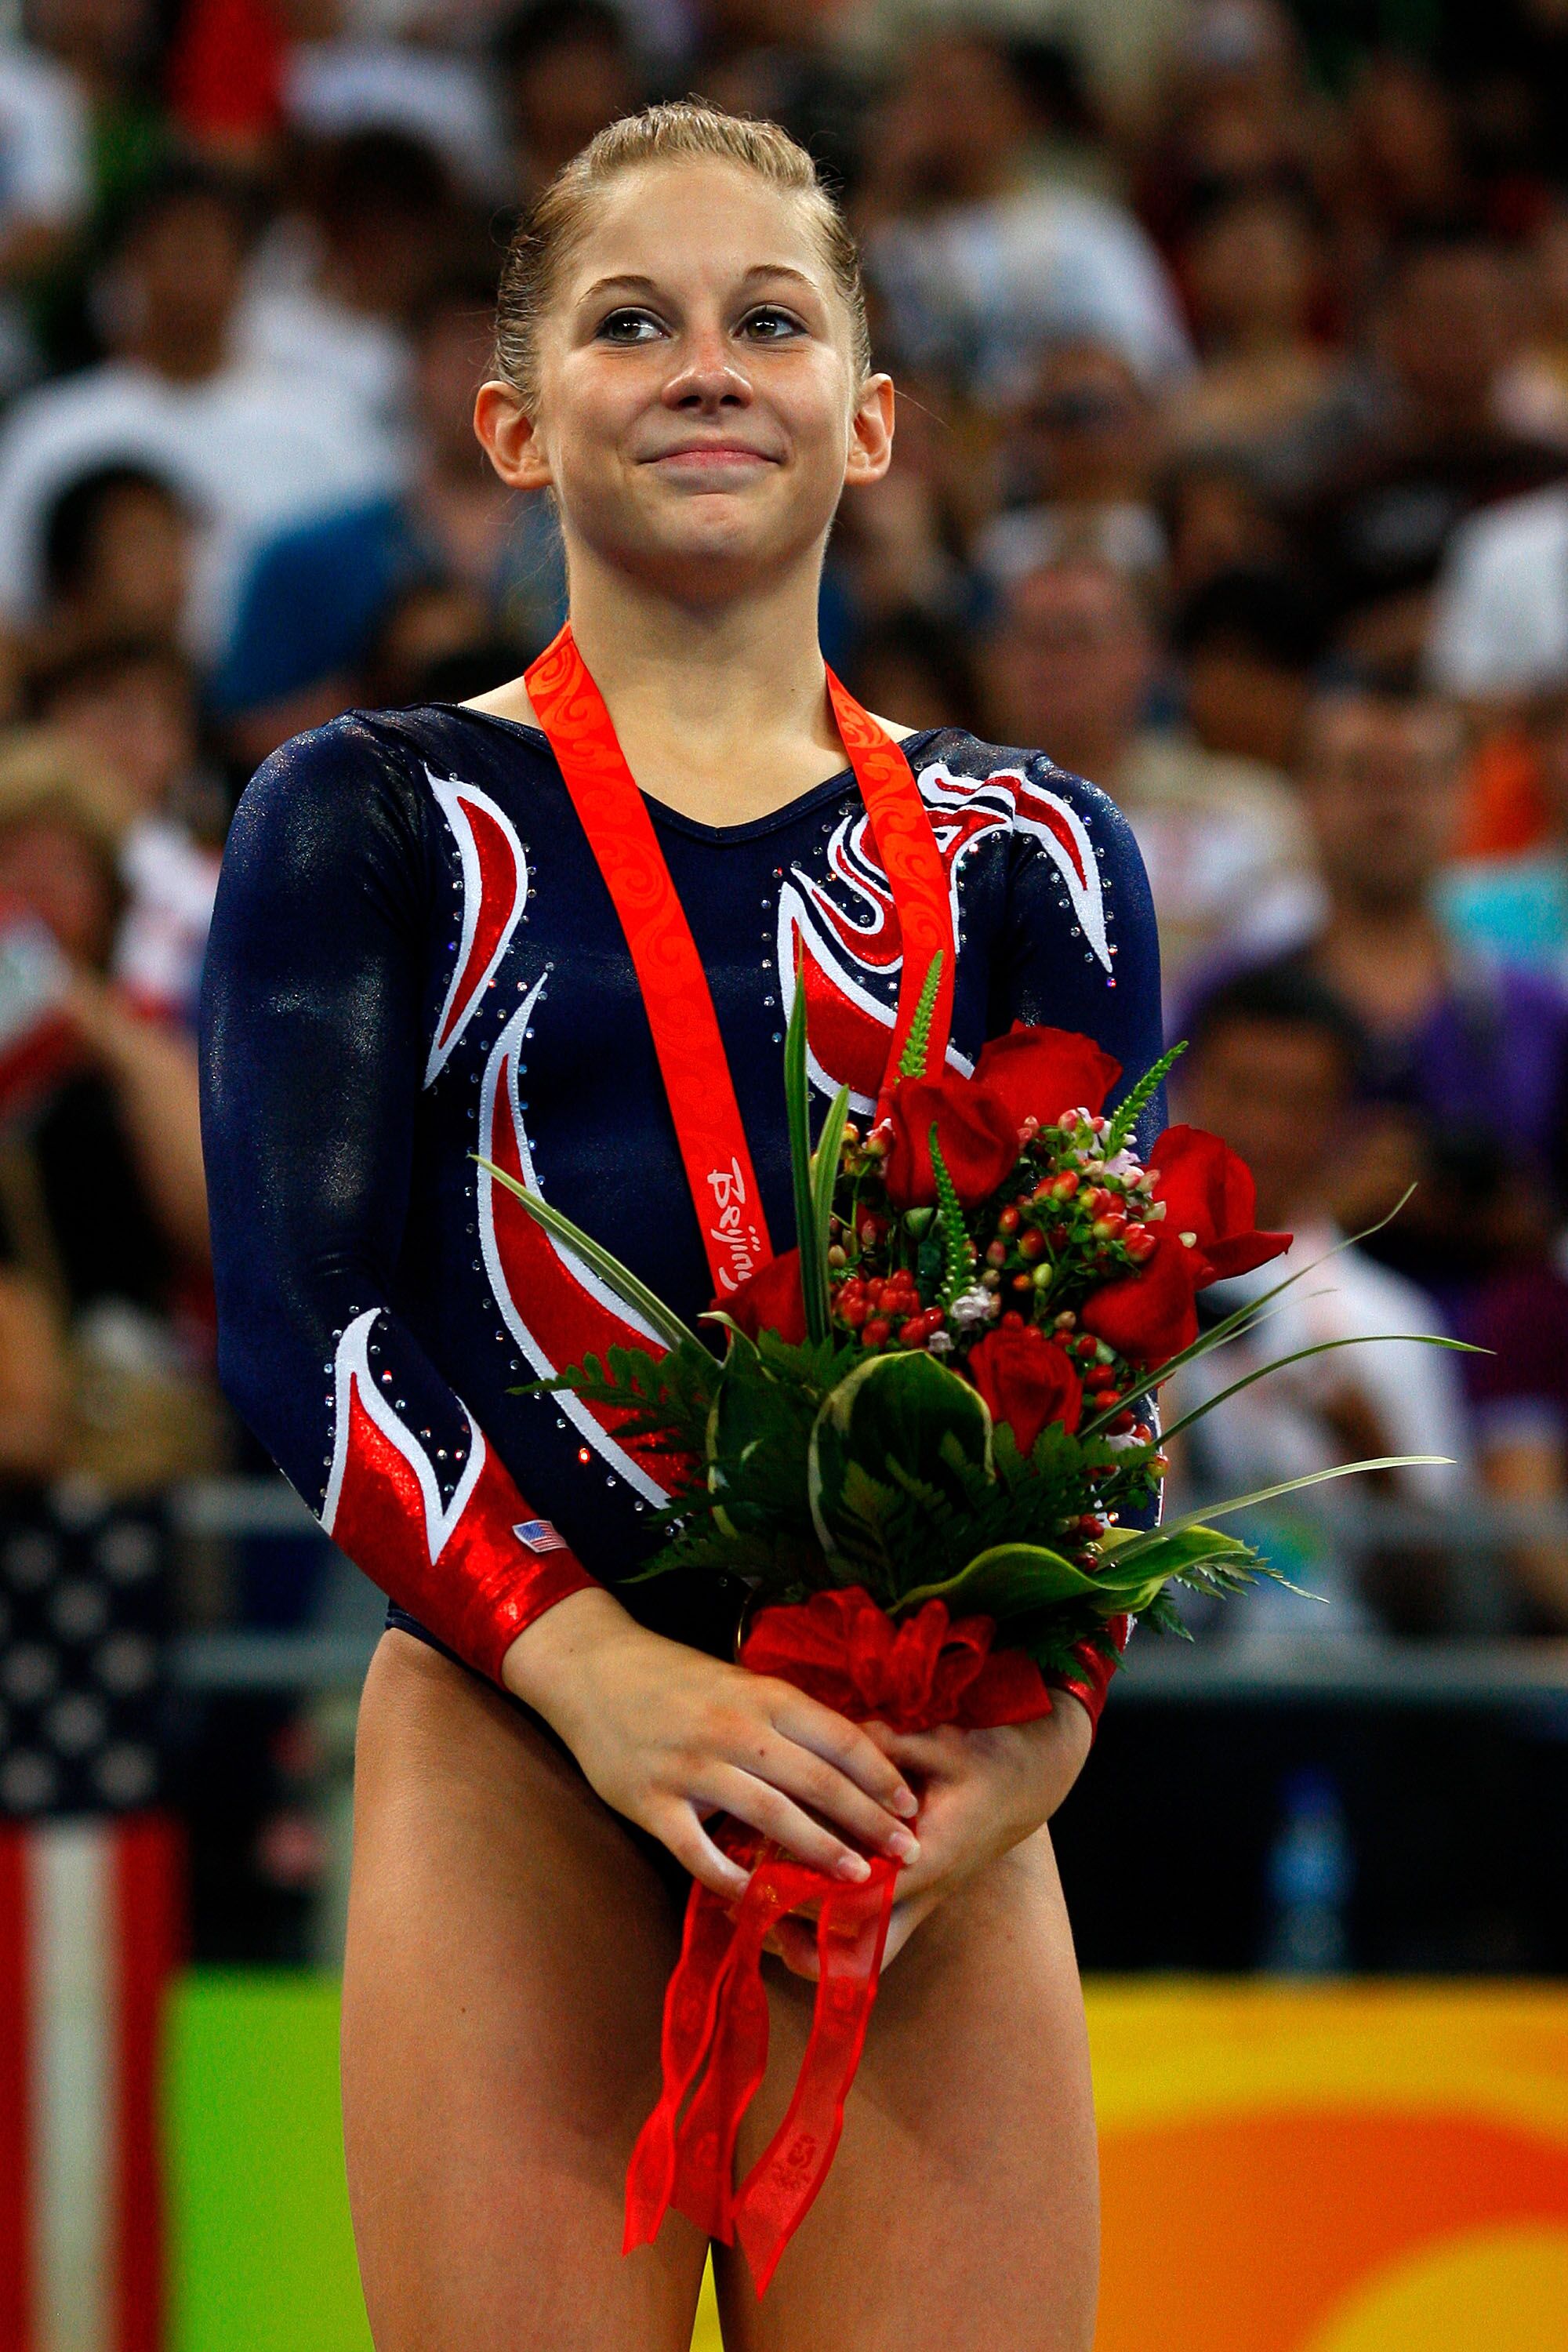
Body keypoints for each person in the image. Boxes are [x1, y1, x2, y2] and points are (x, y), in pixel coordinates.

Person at [199, 102, 1165, 2349]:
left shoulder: (1034, 854)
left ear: (874, 415)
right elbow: (304, 1334)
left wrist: (1048, 1740)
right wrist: (596, 1674)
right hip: (523, 1740)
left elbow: (1106, 1357)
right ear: (516, 422)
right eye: (632, 323)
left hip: (906, 1786)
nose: (707, 365)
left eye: (771, 319)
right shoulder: (378, 817)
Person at [1167, 964, 1469, 1643]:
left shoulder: (1393, 1323)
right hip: (1153, 1696)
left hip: (1340, 1693)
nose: (1264, 1129)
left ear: (1342, 1121)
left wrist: (1375, 1459)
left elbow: (1439, 1604)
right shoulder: (1106, 1283)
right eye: (1240, 1090)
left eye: (1300, 1103)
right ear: (1182, 1086)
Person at [980, 553, 1314, 983]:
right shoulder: (941, 810)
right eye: (1033, 639)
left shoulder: (1250, 805)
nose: (1053, 663)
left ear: (1143, 657)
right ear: (992, 661)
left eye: (1078, 638)